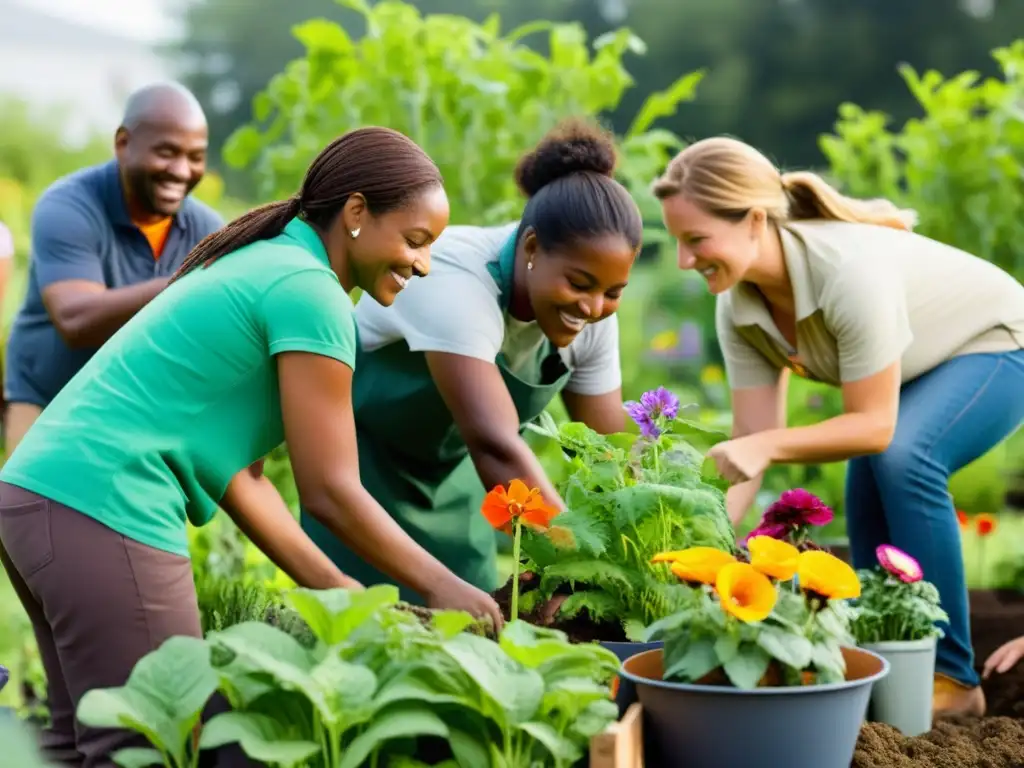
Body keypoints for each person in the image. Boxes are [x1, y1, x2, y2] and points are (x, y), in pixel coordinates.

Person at [0, 126, 501, 768]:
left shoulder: (267, 264)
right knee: (159, 741)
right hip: (103, 505)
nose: (423, 263)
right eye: (414, 239)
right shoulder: (310, 293)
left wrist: (341, 587)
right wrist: (441, 585)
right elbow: (330, 492)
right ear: (354, 213)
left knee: (80, 744)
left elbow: (245, 479)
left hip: (42, 499)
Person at [653, 136, 1024, 717]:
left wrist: (762, 445)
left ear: (753, 221)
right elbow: (753, 444)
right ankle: (890, 661)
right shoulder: (740, 308)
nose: (684, 260)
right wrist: (704, 554)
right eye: (677, 240)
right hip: (924, 371)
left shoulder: (846, 272)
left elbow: (872, 428)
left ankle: (954, 677)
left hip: (1000, 346)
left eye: (696, 239)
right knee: (869, 492)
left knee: (902, 457)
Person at [301, 118, 644, 602]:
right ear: (530, 248)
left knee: (470, 635)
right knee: (358, 635)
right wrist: (575, 562)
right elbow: (495, 445)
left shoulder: (590, 314)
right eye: (580, 284)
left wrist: (645, 548)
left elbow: (605, 453)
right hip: (360, 476)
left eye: (613, 292)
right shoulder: (452, 275)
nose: (592, 308)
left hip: (459, 482)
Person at [3, 82, 222, 459]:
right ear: (123, 143)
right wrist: (186, 284)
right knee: (32, 515)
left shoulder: (205, 228)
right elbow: (75, 320)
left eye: (195, 157)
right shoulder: (69, 206)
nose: (181, 171)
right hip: (46, 405)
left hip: (133, 416)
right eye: (166, 152)